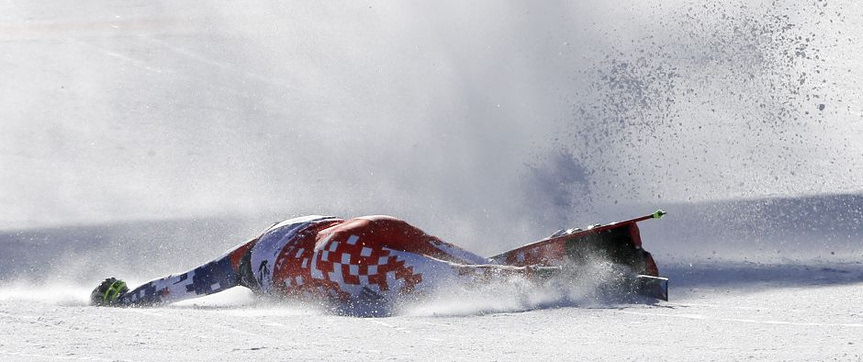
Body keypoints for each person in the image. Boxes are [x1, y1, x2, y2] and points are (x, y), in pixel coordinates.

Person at [91, 214, 555, 314]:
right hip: (375, 224)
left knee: (460, 281)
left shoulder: (242, 264)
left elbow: (185, 284)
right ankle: (549, 260)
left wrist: (124, 300)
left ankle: (557, 278)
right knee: (464, 265)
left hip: (339, 254)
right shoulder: (278, 236)